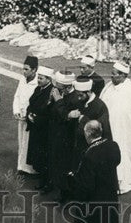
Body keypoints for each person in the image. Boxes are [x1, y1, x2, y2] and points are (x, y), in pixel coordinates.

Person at [70, 119, 122, 223]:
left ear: (87, 134)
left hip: (93, 207)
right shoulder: (113, 146)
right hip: (110, 201)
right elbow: (116, 161)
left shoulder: (89, 155)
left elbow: (85, 187)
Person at [99, 61, 131, 194]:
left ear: (123, 76)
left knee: (122, 154)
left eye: (114, 75)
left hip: (122, 130)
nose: (111, 76)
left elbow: (127, 113)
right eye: (111, 73)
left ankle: (122, 183)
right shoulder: (109, 86)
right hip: (109, 128)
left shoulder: (130, 91)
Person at [49, 71, 82, 199]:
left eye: (59, 86)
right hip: (57, 134)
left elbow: (65, 116)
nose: (56, 88)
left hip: (67, 138)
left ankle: (66, 193)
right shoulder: (62, 93)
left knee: (65, 166)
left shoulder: (74, 99)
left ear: (67, 86)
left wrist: (57, 101)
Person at [69, 78, 112, 170]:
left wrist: (83, 119)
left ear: (88, 92)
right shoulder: (79, 101)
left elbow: (101, 128)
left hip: (91, 149)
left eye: (80, 95)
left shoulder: (100, 106)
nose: (78, 98)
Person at [27, 66, 57, 191]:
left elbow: (50, 113)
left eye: (41, 78)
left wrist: (36, 119)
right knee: (38, 155)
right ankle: (41, 177)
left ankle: (46, 182)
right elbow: (31, 103)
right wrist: (29, 114)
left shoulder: (52, 93)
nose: (38, 80)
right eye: (38, 78)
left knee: (44, 157)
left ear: (48, 79)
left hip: (44, 131)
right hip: (36, 128)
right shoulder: (39, 89)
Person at [12, 56, 39, 175]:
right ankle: (21, 166)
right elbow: (17, 96)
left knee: (29, 142)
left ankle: (30, 168)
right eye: (23, 69)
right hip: (21, 116)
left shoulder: (38, 82)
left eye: (26, 69)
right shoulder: (22, 79)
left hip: (31, 118)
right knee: (21, 140)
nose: (24, 71)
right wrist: (16, 110)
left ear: (34, 70)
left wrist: (29, 115)